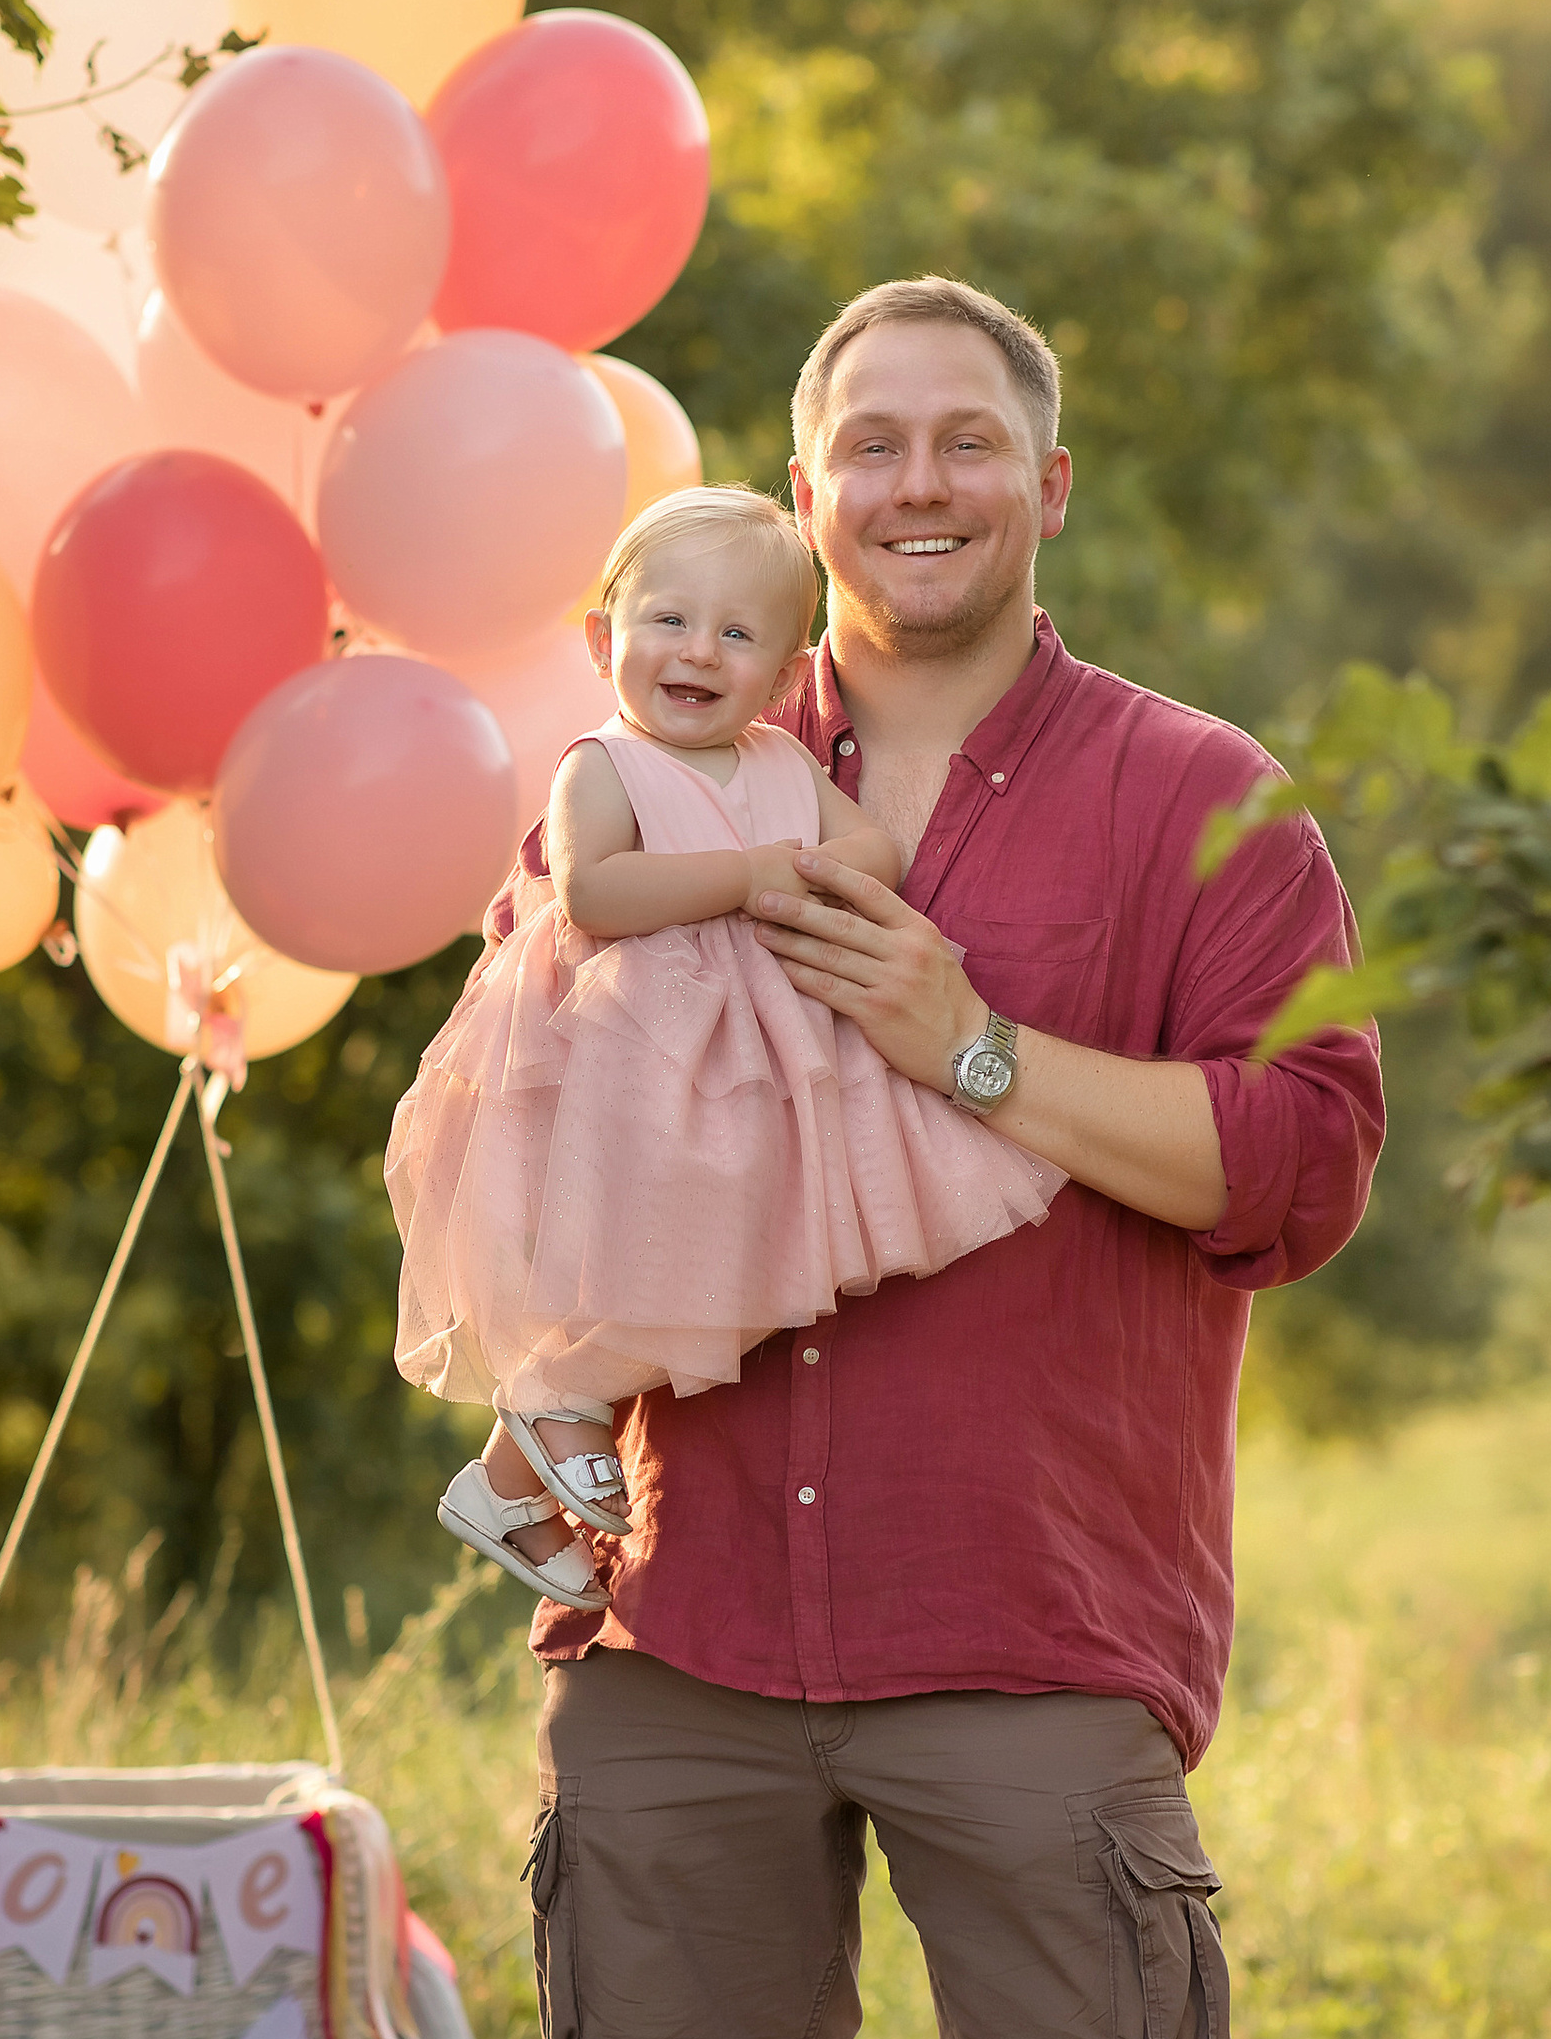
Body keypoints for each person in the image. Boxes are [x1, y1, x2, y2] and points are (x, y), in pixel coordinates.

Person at [510, 277, 1388, 2039]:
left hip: (1028, 1578)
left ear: (1047, 484)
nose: (916, 482)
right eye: (868, 444)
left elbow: (1300, 1165)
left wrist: (966, 1046)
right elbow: (542, 1116)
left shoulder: (1200, 799)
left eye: (964, 441)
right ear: (805, 500)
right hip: (689, 1583)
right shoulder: (661, 768)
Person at [387, 485, 1063, 1601]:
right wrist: (753, 875)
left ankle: (512, 1469)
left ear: (785, 675)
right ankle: (550, 1409)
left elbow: (877, 851)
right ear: (602, 639)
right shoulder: (602, 763)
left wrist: (814, 870)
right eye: (668, 620)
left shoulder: (779, 764)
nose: (699, 651)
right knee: (659, 1243)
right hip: (633, 1046)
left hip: (757, 1055)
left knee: (744, 1254)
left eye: (738, 634)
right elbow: (596, 892)